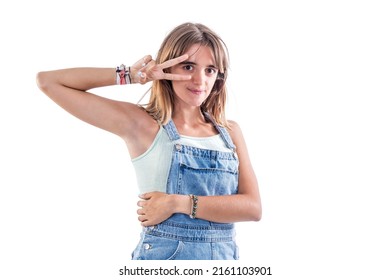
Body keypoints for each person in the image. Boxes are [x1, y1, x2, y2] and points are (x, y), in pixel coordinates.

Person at [36, 22, 261, 260]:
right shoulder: (143, 124)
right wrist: (132, 75)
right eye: (188, 67)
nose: (200, 80)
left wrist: (178, 203)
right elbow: (48, 81)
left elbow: (253, 208)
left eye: (210, 70)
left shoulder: (230, 131)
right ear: (168, 67)